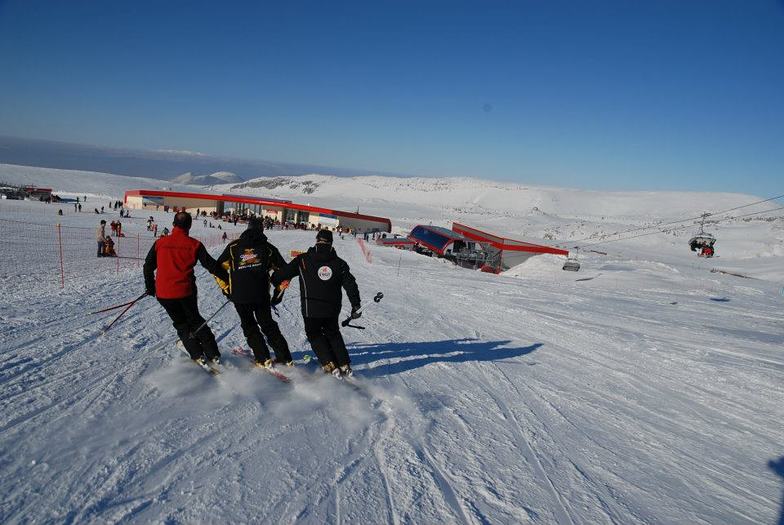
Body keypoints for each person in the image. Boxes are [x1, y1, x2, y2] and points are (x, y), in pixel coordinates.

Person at [272, 229, 361, 377]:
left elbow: (282, 274)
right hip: (332, 308)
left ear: (317, 240)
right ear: (331, 242)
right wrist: (355, 304)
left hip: (310, 308)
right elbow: (350, 284)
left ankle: (329, 364)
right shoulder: (339, 263)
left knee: (314, 334)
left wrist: (274, 278)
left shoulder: (302, 260)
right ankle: (344, 364)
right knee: (333, 333)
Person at [143, 212, 228, 365]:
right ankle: (213, 354)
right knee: (195, 321)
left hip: (163, 294)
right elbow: (212, 266)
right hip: (184, 292)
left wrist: (150, 287)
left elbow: (148, 266)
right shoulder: (194, 244)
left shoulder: (160, 243)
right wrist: (230, 279)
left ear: (173, 224)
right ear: (189, 226)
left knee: (181, 324)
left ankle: (196, 354)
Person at [215, 217, 293, 368]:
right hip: (260, 295)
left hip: (240, 295)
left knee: (249, 325)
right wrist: (278, 288)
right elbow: (284, 270)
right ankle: (285, 358)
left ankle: (263, 357)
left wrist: (227, 289)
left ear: (247, 228)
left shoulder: (234, 246)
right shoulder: (268, 248)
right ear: (262, 230)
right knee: (268, 325)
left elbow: (218, 269)